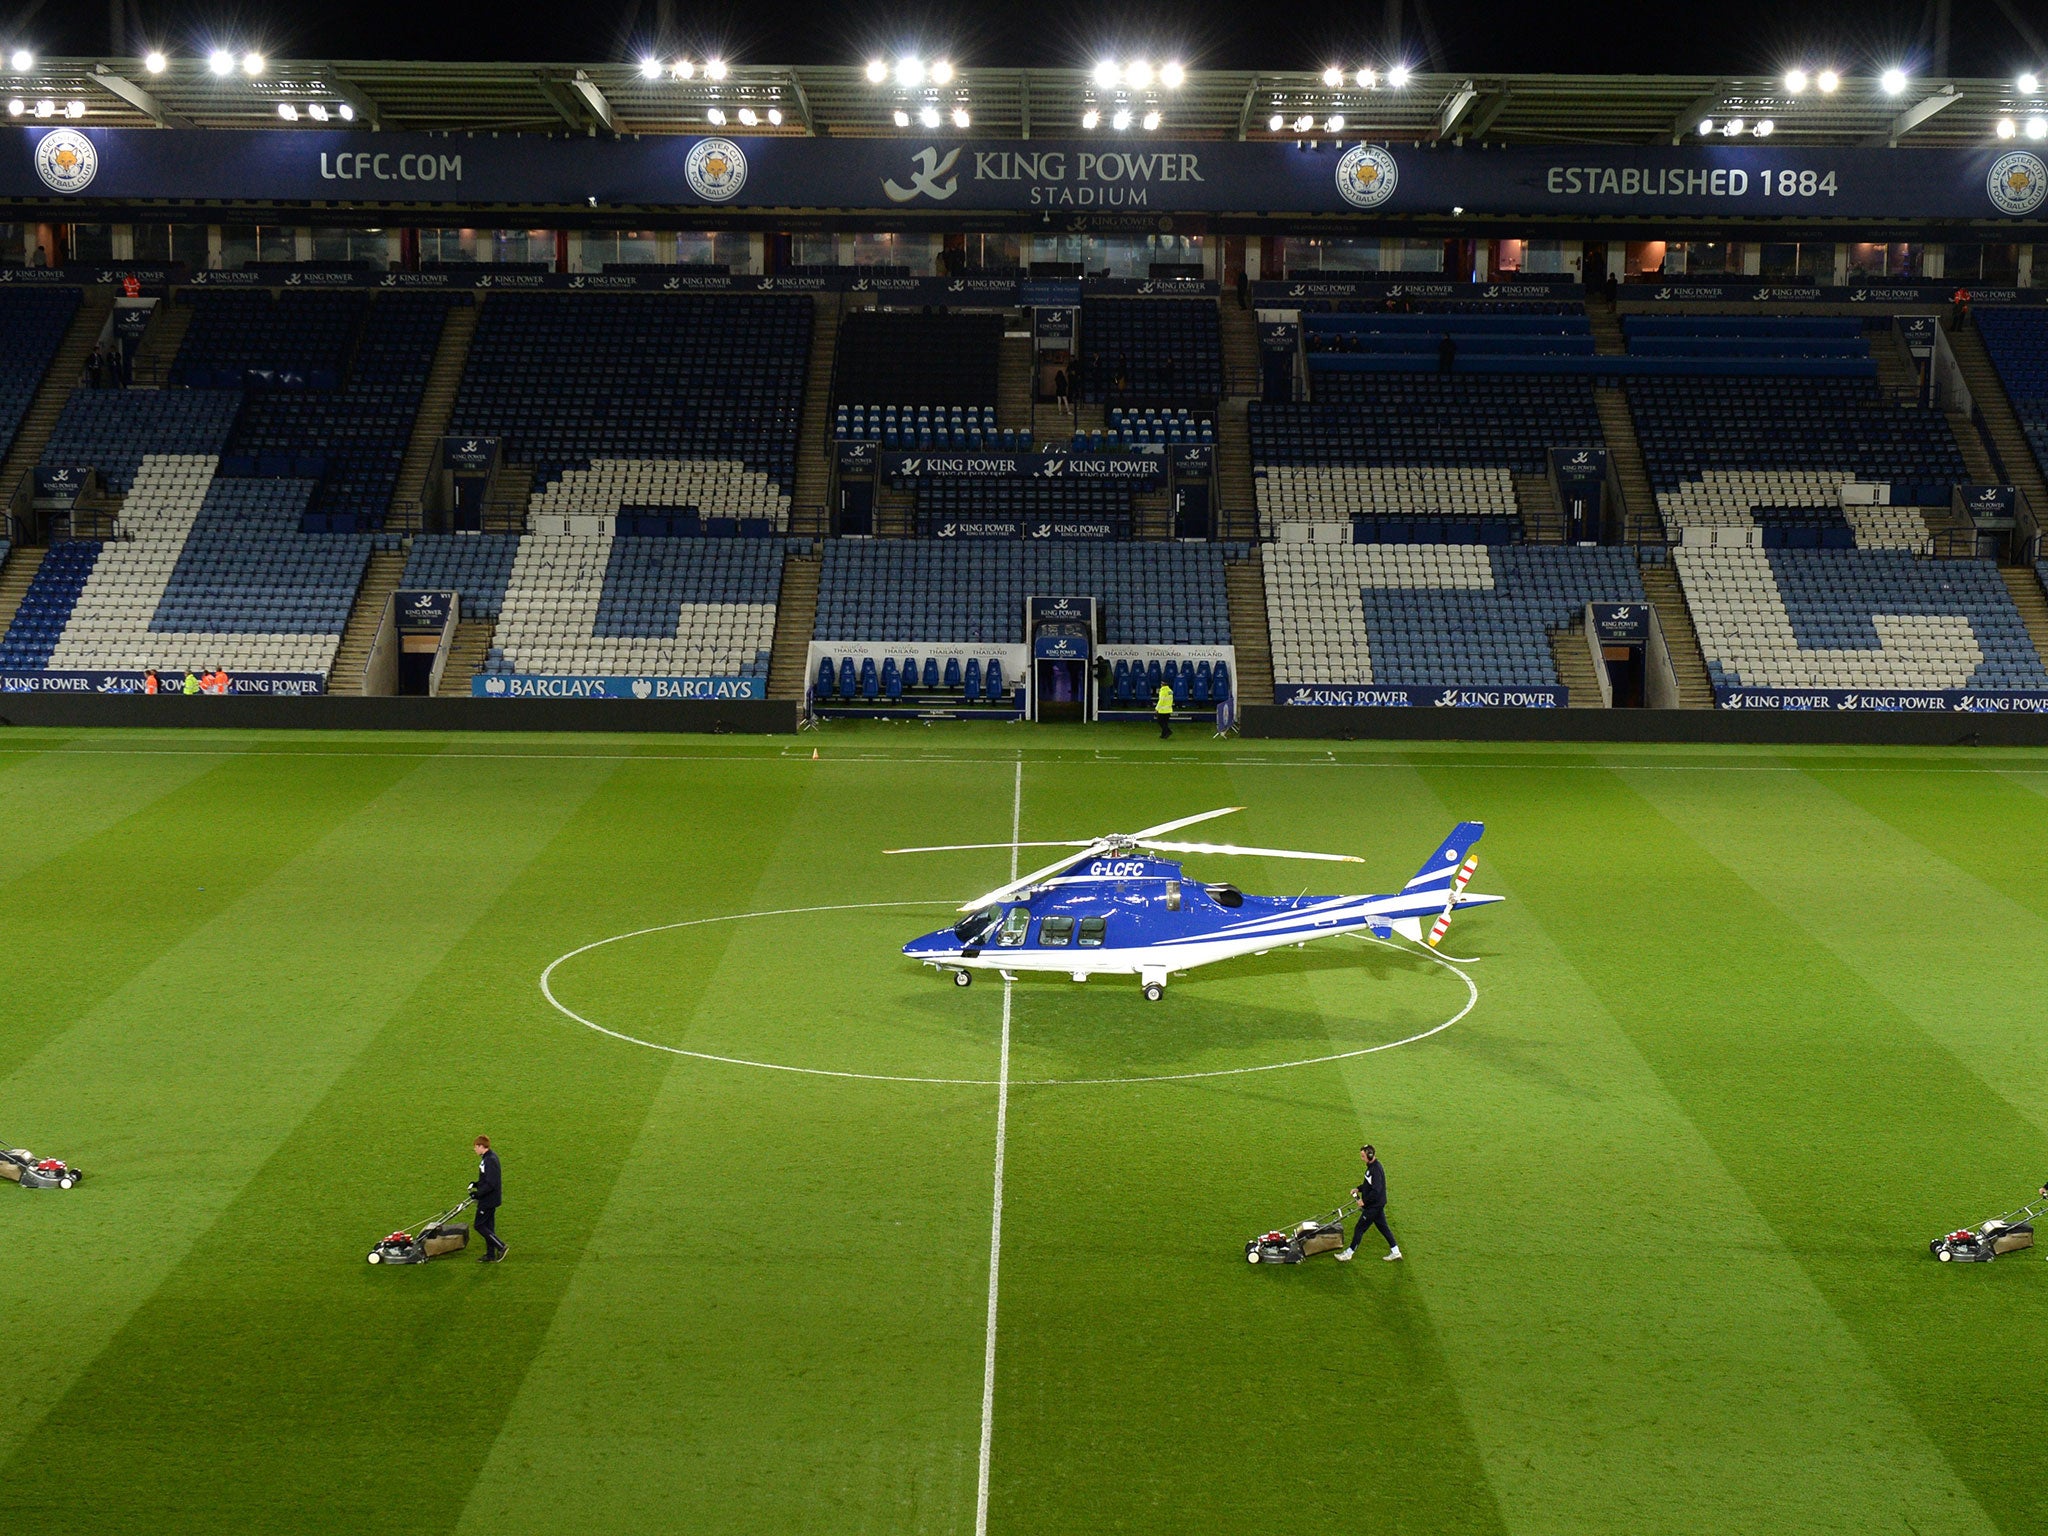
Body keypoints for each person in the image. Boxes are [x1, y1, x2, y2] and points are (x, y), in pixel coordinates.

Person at [1337, 1144, 1400, 1261]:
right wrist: (1358, 1189)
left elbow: (1376, 1190)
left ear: (1370, 1156)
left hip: (1374, 1206)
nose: (1362, 1158)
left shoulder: (1375, 1170)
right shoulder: (1372, 1167)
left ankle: (1349, 1253)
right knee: (1383, 1227)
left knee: (1359, 1228)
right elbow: (1368, 1185)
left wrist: (1363, 1201)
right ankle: (1396, 1251)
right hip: (1377, 1205)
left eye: (1363, 1156)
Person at [469, 1135, 507, 1262]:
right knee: (488, 1227)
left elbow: (491, 1183)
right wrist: (476, 1184)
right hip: (490, 1199)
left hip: (488, 1200)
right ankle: (490, 1254)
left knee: (479, 1225)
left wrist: (478, 1194)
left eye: (476, 1147)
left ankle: (501, 1246)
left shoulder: (489, 1160)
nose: (475, 1149)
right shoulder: (489, 1158)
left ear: (481, 1146)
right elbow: (487, 1179)